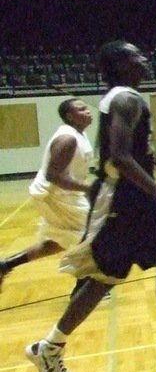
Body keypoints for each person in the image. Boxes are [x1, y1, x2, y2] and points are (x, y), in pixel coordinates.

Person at [24, 41, 156, 372]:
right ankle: (49, 347)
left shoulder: (124, 97)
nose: (145, 59)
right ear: (121, 65)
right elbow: (118, 157)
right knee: (103, 278)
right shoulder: (125, 99)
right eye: (136, 56)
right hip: (122, 199)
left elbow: (127, 152)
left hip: (134, 198)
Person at [0, 98, 93, 288]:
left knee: (59, 240)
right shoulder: (68, 138)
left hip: (62, 195)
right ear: (70, 116)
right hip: (54, 196)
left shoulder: (79, 134)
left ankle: (6, 265)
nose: (88, 111)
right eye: (81, 109)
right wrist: (89, 189)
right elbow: (53, 176)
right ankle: (82, 285)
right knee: (93, 233)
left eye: (86, 107)